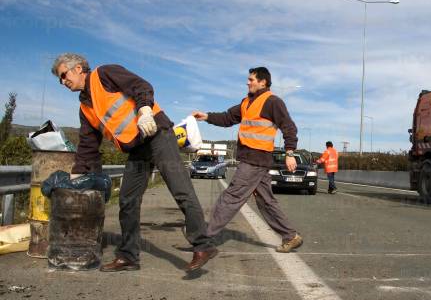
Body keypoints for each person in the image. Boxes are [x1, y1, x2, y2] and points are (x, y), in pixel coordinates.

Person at [51, 53, 217, 272]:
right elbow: (87, 146)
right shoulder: (84, 107)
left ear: (78, 68)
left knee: (181, 190)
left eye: (64, 75)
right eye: (60, 79)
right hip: (137, 148)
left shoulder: (105, 73)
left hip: (157, 133)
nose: (63, 82)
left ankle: (203, 245)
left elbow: (140, 85)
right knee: (127, 200)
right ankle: (128, 256)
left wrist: (145, 109)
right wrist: (77, 173)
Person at [192, 67, 303, 253]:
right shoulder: (247, 102)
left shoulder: (273, 102)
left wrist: (290, 153)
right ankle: (290, 236)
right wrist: (207, 117)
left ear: (263, 82)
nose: (247, 82)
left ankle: (204, 240)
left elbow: (289, 127)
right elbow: (228, 117)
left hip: (256, 158)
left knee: (231, 197)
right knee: (266, 201)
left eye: (251, 79)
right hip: (253, 159)